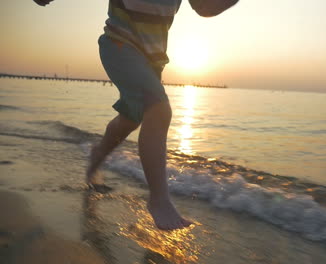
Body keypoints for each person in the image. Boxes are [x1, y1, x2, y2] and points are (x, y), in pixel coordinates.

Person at [33, 0, 239, 230]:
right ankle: (159, 200)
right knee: (159, 109)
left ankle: (97, 155)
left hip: (153, 60)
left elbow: (204, 7)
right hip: (118, 45)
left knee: (131, 118)